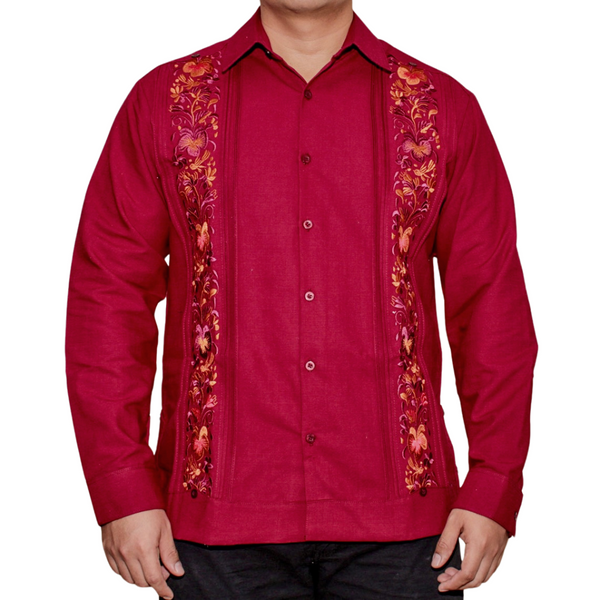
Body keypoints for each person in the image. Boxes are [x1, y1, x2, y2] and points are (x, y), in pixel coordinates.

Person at [65, 0, 537, 598]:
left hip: (406, 530)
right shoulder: (165, 103)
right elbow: (108, 298)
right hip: (211, 533)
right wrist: (122, 487)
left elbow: (491, 307)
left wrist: (494, 482)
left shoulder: (441, 109)